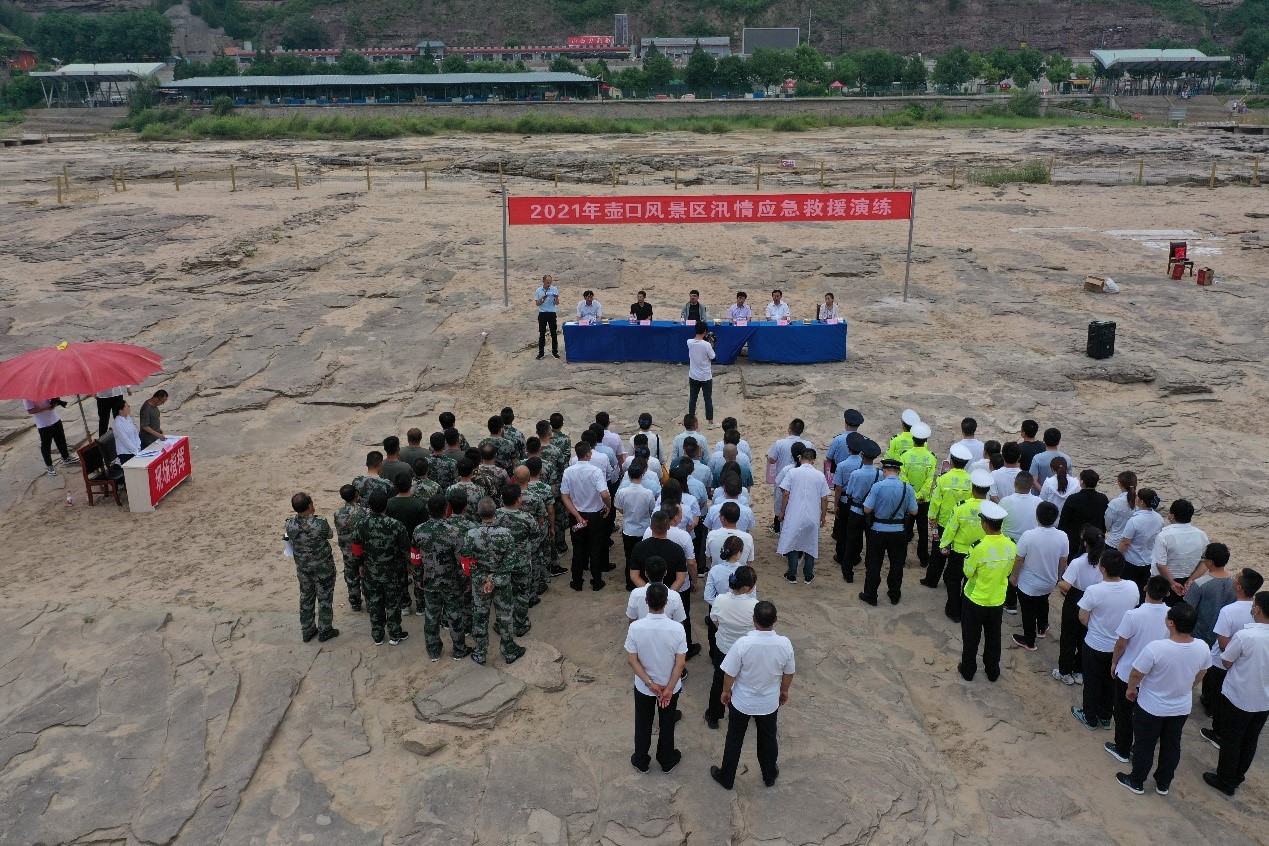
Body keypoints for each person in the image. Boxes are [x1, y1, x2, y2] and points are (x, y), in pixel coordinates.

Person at [1116, 603, 1210, 795]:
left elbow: (1136, 673)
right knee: (1171, 746)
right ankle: (1163, 783)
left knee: (1145, 745)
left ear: (1171, 623)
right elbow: (1202, 672)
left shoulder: (1156, 648)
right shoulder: (1202, 647)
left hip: (1152, 706)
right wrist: (1187, 686)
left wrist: (1131, 690)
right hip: (1180, 706)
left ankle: (1137, 780)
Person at [710, 601, 795, 790]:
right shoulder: (784, 644)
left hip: (742, 701)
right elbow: (789, 673)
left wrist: (725, 690)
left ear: (753, 620)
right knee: (768, 737)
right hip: (768, 702)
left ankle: (727, 777)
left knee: (734, 738)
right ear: (776, 620)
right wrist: (784, 690)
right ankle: (769, 774)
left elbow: (730, 673)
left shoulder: (743, 643)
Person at [1203, 589, 1269, 797]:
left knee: (1232, 740)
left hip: (1240, 696)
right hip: (1264, 699)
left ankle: (1225, 780)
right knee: (1250, 739)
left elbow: (1226, 660)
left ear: (1257, 609)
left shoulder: (1246, 635)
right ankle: (1238, 776)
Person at [1105, 576, 1171, 764]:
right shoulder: (1171, 615)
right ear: (1167, 594)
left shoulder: (1133, 615)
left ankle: (1122, 748)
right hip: (1153, 675)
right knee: (1145, 716)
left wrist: (1114, 663)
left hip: (1129, 671)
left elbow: (1121, 644)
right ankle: (1137, 748)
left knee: (1123, 712)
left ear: (1145, 588)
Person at [1073, 550, 1140, 730]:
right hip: (1119, 646)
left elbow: (1082, 617)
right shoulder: (1132, 587)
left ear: (1102, 569)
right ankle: (1105, 716)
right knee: (1111, 684)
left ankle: (1090, 717)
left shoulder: (1094, 591)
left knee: (1092, 683)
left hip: (1095, 644)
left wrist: (1095, 628)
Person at [625, 582, 687, 773]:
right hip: (670, 687)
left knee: (643, 723)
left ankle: (641, 760)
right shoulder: (677, 629)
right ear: (666, 602)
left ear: (646, 601)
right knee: (667, 723)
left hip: (644, 687)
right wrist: (668, 688)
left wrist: (650, 684)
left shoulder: (635, 627)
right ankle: (666, 759)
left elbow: (632, 660)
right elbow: (680, 663)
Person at [462, 497, 526, 665]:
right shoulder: (505, 534)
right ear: (495, 512)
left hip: (480, 583)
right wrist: (495, 579)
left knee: (480, 616)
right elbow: (510, 560)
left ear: (478, 513)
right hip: (502, 582)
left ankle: (480, 652)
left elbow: (467, 562)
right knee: (505, 616)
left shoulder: (470, 535)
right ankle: (509, 651)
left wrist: (484, 579)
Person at [958, 500, 1014, 682]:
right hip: (997, 599)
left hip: (975, 599)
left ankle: (968, 670)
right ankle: (992, 671)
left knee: (971, 637)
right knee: (993, 638)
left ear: (985, 524)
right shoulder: (1011, 545)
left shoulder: (978, 547)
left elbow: (967, 572)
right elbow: (1008, 571)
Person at [412, 495, 471, 661]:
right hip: (452, 583)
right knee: (455, 616)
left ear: (428, 510)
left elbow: (415, 558)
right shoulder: (454, 532)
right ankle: (459, 650)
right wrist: (466, 581)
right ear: (446, 509)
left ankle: (433, 651)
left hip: (429, 581)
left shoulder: (419, 530)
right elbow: (462, 561)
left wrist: (418, 578)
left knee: (431, 618)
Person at [351, 491, 409, 646]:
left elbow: (356, 550)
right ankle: (395, 634)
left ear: (369, 506)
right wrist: (408, 568)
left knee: (375, 603)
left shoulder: (360, 524)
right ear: (386, 506)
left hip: (371, 573)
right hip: (393, 573)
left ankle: (377, 634)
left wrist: (360, 565)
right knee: (393, 604)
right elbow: (405, 551)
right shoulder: (397, 526)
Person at [1009, 501, 1067, 650]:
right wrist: (1059, 577)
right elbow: (1063, 560)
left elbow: (1019, 558)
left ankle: (1029, 641)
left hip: (1029, 583)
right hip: (1049, 581)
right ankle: (1042, 628)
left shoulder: (1028, 536)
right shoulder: (1062, 536)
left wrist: (1014, 575)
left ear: (1037, 517)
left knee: (1028, 611)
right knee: (1042, 602)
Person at [859, 456, 917, 606]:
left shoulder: (877, 486)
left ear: (885, 470)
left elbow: (867, 508)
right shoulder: (907, 487)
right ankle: (894, 594)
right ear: (898, 471)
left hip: (878, 530)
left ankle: (871, 595)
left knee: (874, 565)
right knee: (897, 565)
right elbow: (914, 511)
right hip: (899, 532)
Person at [706, 563, 759, 729]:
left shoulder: (720, 600)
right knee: (747, 680)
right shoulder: (754, 606)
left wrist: (725, 631)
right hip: (746, 651)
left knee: (719, 679)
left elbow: (714, 619)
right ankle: (746, 711)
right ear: (746, 587)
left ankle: (714, 715)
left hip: (723, 647)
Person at [938, 469, 993, 623]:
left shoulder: (960, 507)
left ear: (972, 488)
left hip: (959, 551)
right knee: (971, 582)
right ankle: (965, 609)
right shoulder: (991, 509)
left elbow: (951, 528)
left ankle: (953, 610)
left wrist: (944, 544)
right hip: (980, 552)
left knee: (953, 579)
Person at [1053, 527, 1106, 685]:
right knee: (1085, 636)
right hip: (1095, 600)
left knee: (1068, 637)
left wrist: (1058, 581)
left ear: (1085, 543)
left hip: (1076, 598)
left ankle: (1064, 671)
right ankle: (1078, 670)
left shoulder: (1078, 562)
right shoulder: (1104, 561)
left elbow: (1066, 585)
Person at [285, 492, 339, 644]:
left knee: (306, 599)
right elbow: (329, 535)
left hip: (303, 569)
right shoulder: (320, 522)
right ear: (310, 505)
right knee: (325, 599)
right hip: (323, 568)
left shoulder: (289, 523)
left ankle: (307, 631)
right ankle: (325, 630)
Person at [921, 443, 972, 595]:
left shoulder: (943, 479)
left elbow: (936, 500)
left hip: (943, 522)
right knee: (956, 554)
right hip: (962, 523)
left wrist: (931, 517)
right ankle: (949, 577)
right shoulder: (970, 481)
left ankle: (931, 580)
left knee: (938, 551)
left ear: (951, 461)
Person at [561, 441, 611, 592]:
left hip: (577, 515)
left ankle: (577, 581)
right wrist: (608, 505)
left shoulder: (568, 471)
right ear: (588, 454)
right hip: (594, 515)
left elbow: (565, 496)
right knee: (595, 548)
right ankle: (596, 581)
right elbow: (604, 493)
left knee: (578, 548)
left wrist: (576, 515)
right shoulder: (595, 471)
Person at [776, 447, 829, 584]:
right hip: (812, 514)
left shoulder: (793, 472)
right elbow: (824, 498)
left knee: (794, 543)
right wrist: (823, 516)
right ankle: (808, 575)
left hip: (794, 513)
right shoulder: (820, 476)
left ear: (800, 459)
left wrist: (782, 511)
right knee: (810, 543)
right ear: (813, 460)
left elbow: (786, 493)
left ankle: (792, 574)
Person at [494, 483, 539, 637]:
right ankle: (520, 624)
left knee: (501, 594)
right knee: (521, 593)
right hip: (521, 562)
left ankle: (501, 623)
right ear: (519, 499)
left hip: (500, 563)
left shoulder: (495, 515)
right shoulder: (527, 518)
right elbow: (536, 538)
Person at [1152, 499, 1209, 603]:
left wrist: (1172, 583)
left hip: (1165, 581)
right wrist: (1191, 580)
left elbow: (1160, 565)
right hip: (1189, 581)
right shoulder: (1201, 535)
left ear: (1172, 516)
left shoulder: (1164, 535)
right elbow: (1205, 562)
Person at [1000, 471, 1040, 614]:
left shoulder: (1006, 501)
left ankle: (1010, 603)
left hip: (1010, 542)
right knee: (1026, 571)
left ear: (1015, 483)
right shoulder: (1038, 502)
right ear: (1031, 486)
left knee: (1009, 572)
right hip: (1030, 544)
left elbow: (999, 521)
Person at [898, 422, 937, 569]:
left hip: (908, 500)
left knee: (904, 530)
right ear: (926, 440)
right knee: (922, 531)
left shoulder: (905, 456)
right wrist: (920, 495)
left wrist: (912, 496)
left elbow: (903, 477)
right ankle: (923, 559)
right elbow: (929, 480)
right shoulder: (931, 458)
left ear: (913, 439)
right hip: (924, 501)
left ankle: (901, 558)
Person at [1184, 543, 1235, 647]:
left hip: (1200, 635)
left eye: (1204, 557)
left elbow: (1188, 610)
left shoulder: (1200, 583)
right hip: (1225, 636)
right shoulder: (1235, 584)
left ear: (1210, 562)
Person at [766, 419, 812, 533]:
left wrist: (767, 456)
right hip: (803, 477)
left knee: (780, 501)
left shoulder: (780, 443)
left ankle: (778, 526)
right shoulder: (809, 444)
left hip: (783, 477)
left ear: (789, 429)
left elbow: (771, 460)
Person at [1118, 487, 1164, 593]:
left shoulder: (1135, 520)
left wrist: (1118, 554)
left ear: (1141, 501)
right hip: (1148, 560)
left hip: (1131, 561)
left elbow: (1126, 542)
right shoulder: (1159, 518)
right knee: (1143, 589)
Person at [616, 463, 657, 577]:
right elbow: (651, 510)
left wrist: (628, 514)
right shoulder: (648, 493)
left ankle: (630, 581)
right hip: (643, 529)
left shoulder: (622, 492)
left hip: (628, 529)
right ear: (642, 475)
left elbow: (619, 507)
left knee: (629, 556)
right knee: (644, 556)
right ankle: (643, 578)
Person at [1057, 469, 1109, 558]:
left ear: (1082, 482)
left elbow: (1063, 523)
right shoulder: (1103, 498)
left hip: (1075, 542)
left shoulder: (1072, 499)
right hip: (1096, 539)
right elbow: (1105, 520)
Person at [333, 484, 366, 612]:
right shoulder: (363, 512)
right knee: (365, 575)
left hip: (347, 550)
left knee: (351, 576)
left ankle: (355, 603)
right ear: (356, 495)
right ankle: (369, 601)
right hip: (361, 549)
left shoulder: (337, 514)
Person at [23, 397, 75, 476]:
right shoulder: (27, 397)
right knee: (46, 445)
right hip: (43, 424)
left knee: (61, 440)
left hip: (55, 419)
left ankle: (66, 457)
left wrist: (55, 402)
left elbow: (52, 401)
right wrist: (45, 408)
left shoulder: (46, 390)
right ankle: (49, 466)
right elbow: (30, 410)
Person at [626, 557, 686, 623]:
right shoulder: (675, 596)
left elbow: (631, 620)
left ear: (646, 574)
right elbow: (679, 623)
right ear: (665, 573)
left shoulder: (636, 594)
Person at [687, 321, 716, 427]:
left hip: (693, 375)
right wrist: (713, 345)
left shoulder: (689, 342)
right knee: (708, 399)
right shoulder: (707, 345)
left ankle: (690, 423)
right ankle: (710, 422)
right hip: (705, 376)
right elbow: (713, 358)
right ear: (704, 331)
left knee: (693, 399)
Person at [1103, 471, 1137, 551]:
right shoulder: (1140, 502)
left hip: (1114, 543)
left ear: (1120, 484)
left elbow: (1107, 525)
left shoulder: (1115, 503)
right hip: (1133, 545)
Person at [825, 408, 865, 473]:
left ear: (846, 425)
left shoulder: (838, 439)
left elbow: (829, 457)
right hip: (857, 471)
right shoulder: (863, 439)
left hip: (838, 471)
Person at [535, 274, 561, 359]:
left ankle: (555, 352)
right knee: (542, 333)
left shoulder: (554, 289)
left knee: (553, 333)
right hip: (542, 313)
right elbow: (537, 304)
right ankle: (541, 353)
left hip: (552, 313)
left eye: (550, 282)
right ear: (543, 282)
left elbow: (557, 303)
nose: (548, 284)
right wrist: (543, 298)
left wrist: (556, 298)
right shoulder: (539, 290)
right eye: (547, 282)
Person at [1016, 420, 1045, 484]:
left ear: (1023, 433)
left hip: (1025, 482)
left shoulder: (1018, 448)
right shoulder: (1043, 446)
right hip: (1041, 481)